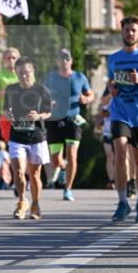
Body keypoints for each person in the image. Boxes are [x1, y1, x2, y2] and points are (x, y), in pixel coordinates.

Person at [3, 56, 52, 220]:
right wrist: (9, 115)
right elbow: (5, 110)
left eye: (26, 73)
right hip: (17, 135)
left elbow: (48, 112)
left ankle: (36, 203)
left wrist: (38, 116)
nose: (24, 76)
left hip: (36, 136)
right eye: (20, 73)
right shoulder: (10, 89)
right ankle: (22, 200)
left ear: (33, 71)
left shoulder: (41, 90)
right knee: (18, 170)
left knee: (35, 174)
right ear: (16, 73)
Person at [106, 14, 138, 223]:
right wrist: (112, 88)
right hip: (120, 112)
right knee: (120, 153)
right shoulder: (113, 58)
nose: (129, 33)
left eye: (133, 30)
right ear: (121, 32)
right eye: (126, 30)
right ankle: (122, 202)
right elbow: (112, 82)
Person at [43, 49, 94, 201]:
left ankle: (68, 189)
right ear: (57, 61)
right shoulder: (51, 78)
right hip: (54, 121)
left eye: (67, 58)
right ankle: (63, 167)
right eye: (61, 58)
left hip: (73, 120)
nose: (64, 61)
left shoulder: (80, 77)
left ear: (71, 60)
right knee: (55, 160)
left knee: (72, 154)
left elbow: (91, 94)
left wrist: (86, 99)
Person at [0, 48, 20, 142]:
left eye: (14, 58)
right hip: (7, 116)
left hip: (24, 116)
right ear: (4, 60)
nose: (11, 60)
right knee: (12, 146)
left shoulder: (26, 73)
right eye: (8, 58)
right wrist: (4, 92)